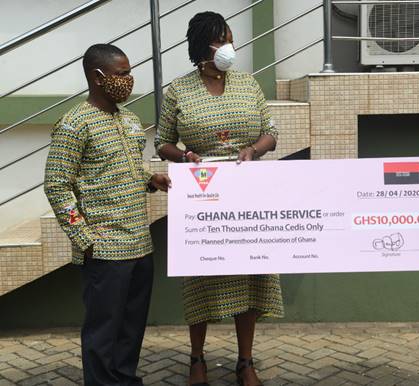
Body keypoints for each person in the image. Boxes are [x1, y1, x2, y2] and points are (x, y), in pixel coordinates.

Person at [155, 11, 283, 386]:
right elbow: (163, 142)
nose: (229, 46)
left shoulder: (248, 84)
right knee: (201, 276)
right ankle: (197, 359)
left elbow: (271, 133)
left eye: (229, 38)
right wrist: (186, 157)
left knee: (250, 273)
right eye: (221, 40)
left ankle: (246, 361)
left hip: (247, 192)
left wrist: (253, 150)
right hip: (201, 195)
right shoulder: (179, 90)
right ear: (202, 48)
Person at [44, 43, 171, 386]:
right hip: (104, 249)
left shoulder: (129, 120)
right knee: (103, 332)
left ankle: (124, 380)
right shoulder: (74, 124)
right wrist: (83, 238)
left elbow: (123, 168)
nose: (128, 80)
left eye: (130, 72)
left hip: (140, 246)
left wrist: (150, 178)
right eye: (121, 73)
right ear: (98, 77)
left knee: (131, 328)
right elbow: (56, 185)